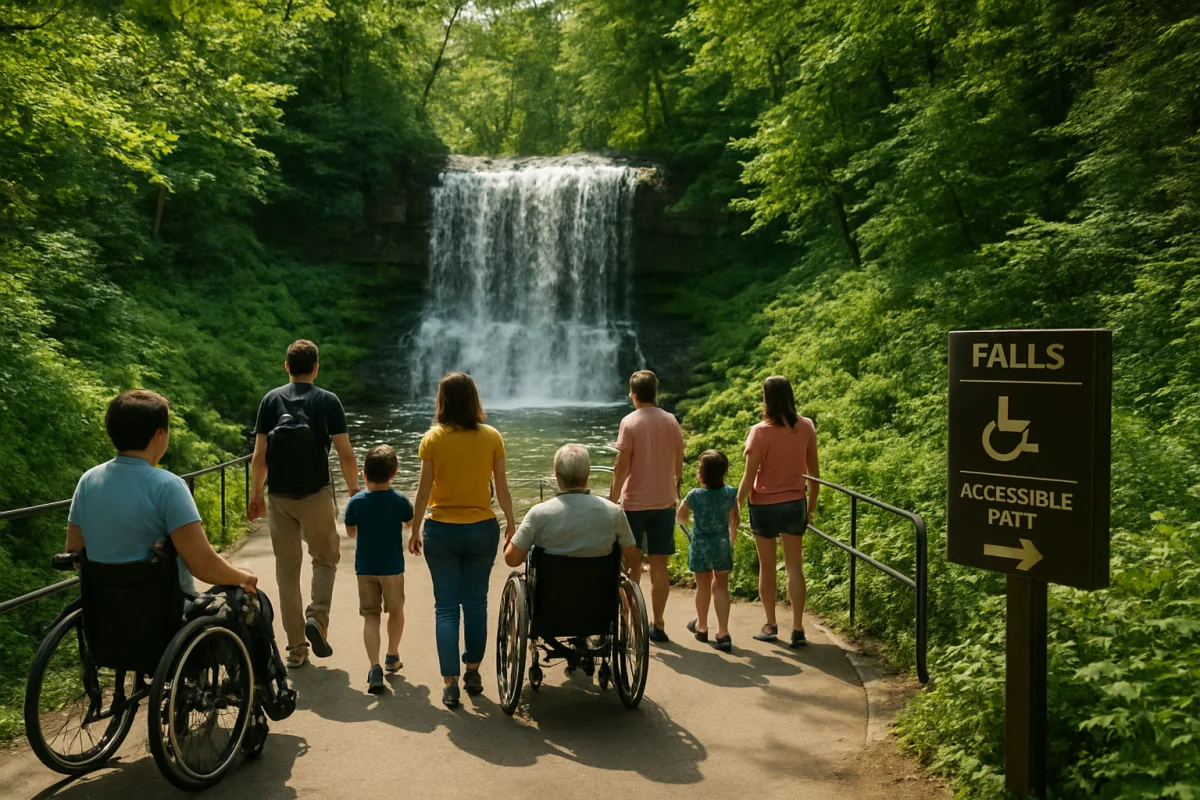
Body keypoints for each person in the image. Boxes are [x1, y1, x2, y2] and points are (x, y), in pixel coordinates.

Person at [66, 390, 257, 596]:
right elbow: (203, 565)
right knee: (249, 598)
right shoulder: (168, 486)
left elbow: (74, 547)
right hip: (163, 612)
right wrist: (245, 577)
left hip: (103, 611)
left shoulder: (88, 480)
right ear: (159, 434)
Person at [247, 339, 360, 668]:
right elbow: (345, 453)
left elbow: (259, 457)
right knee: (325, 558)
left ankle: (296, 647)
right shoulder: (328, 401)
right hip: (317, 494)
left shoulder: (271, 400)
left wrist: (255, 495)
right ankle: (317, 618)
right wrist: (355, 491)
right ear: (316, 368)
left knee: (287, 572)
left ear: (287, 367)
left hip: (279, 497)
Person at [409, 372, 515, 709]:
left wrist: (413, 530)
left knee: (445, 608)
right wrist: (511, 523)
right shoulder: (492, 437)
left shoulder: (432, 440)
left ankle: (450, 682)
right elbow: (501, 488)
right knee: (475, 604)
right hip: (482, 528)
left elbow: (424, 490)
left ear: (442, 401)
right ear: (474, 400)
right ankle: (472, 671)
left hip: (440, 530)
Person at [736, 375, 820, 648]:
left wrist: (735, 506)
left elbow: (748, 479)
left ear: (766, 398)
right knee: (795, 566)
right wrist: (812, 505)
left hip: (764, 506)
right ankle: (798, 628)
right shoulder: (806, 426)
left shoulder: (759, 431)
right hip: (795, 502)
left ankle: (771, 624)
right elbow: (814, 473)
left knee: (768, 566)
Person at [608, 370, 684, 644]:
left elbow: (622, 465)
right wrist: (676, 486)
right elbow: (679, 458)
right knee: (659, 564)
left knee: (632, 564)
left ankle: (629, 622)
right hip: (664, 502)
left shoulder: (629, 422)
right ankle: (658, 623)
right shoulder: (670, 420)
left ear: (633, 394)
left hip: (634, 504)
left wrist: (612, 499)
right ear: (656, 392)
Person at [504, 443, 640, 570]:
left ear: (557, 476)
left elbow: (512, 560)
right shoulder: (613, 512)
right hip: (600, 592)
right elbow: (632, 561)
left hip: (551, 593)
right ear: (587, 475)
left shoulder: (539, 514)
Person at [344, 445, 413, 695]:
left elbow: (351, 532)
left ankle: (374, 668)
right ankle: (392, 656)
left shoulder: (356, 502)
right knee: (396, 611)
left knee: (370, 616)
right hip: (393, 567)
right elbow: (408, 524)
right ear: (393, 472)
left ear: (364, 473)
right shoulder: (399, 500)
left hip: (365, 568)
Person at [677, 450, 739, 652]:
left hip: (700, 545)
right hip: (721, 544)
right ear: (725, 471)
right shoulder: (730, 493)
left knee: (702, 586)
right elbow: (734, 521)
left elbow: (681, 516)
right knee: (721, 586)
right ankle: (723, 632)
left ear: (700, 475)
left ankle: (702, 626)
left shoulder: (694, 495)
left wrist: (687, 516)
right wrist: (730, 540)